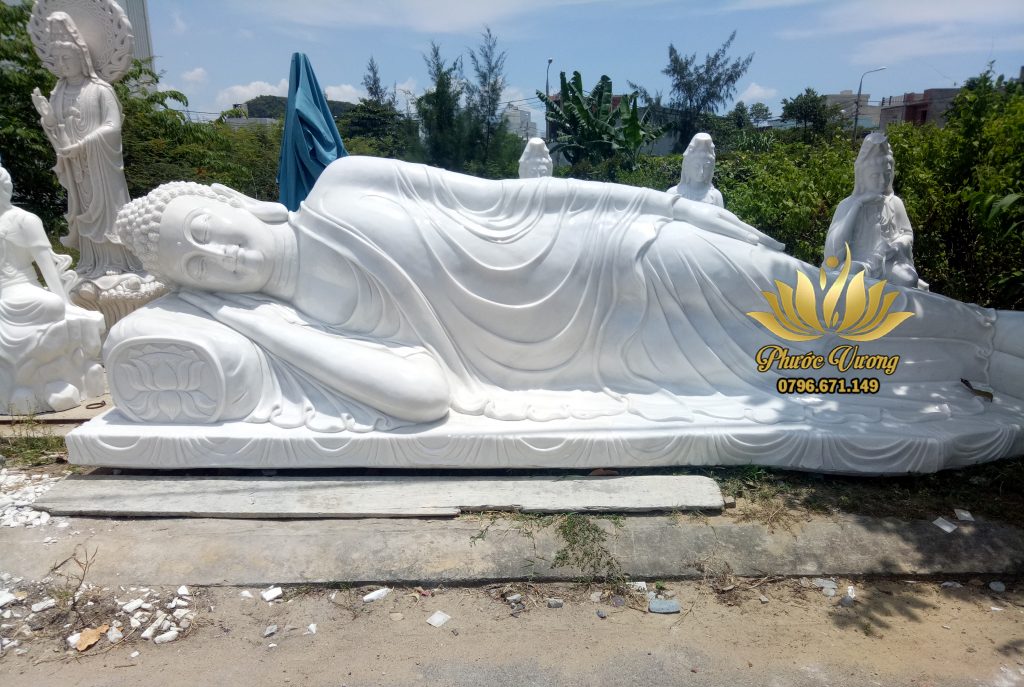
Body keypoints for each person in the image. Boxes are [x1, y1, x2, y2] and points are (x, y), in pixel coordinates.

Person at [110, 155, 1020, 440]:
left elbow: (516, 199)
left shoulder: (344, 185)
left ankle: (988, 337)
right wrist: (254, 322)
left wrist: (666, 208)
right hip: (606, 354)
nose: (220, 255)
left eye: (207, 229)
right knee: (798, 368)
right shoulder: (305, 323)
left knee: (819, 306)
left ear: (235, 202)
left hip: (617, 253)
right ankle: (963, 365)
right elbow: (422, 396)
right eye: (197, 268)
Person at [31, 12, 139, 278]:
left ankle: (117, 261)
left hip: (101, 166)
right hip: (77, 169)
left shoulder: (101, 90)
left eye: (67, 58)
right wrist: (48, 118)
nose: (62, 64)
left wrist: (84, 144)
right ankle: (91, 262)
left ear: (82, 58)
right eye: (58, 59)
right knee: (83, 211)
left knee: (108, 213)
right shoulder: (58, 92)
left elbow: (113, 126)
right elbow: (57, 128)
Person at [0, 162, 105, 413]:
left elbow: (46, 265)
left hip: (18, 287)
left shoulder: (24, 220)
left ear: (6, 188)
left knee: (51, 305)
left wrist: (65, 303)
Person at [823, 132, 926, 290]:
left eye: (887, 175)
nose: (882, 181)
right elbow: (833, 248)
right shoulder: (847, 204)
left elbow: (907, 234)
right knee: (850, 275)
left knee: (908, 279)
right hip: (859, 260)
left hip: (887, 260)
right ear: (862, 177)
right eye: (875, 176)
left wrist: (896, 246)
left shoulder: (894, 203)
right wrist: (857, 205)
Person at [667, 133, 724, 207]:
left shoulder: (715, 196)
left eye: (706, 167)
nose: (701, 172)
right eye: (696, 167)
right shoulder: (673, 193)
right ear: (687, 167)